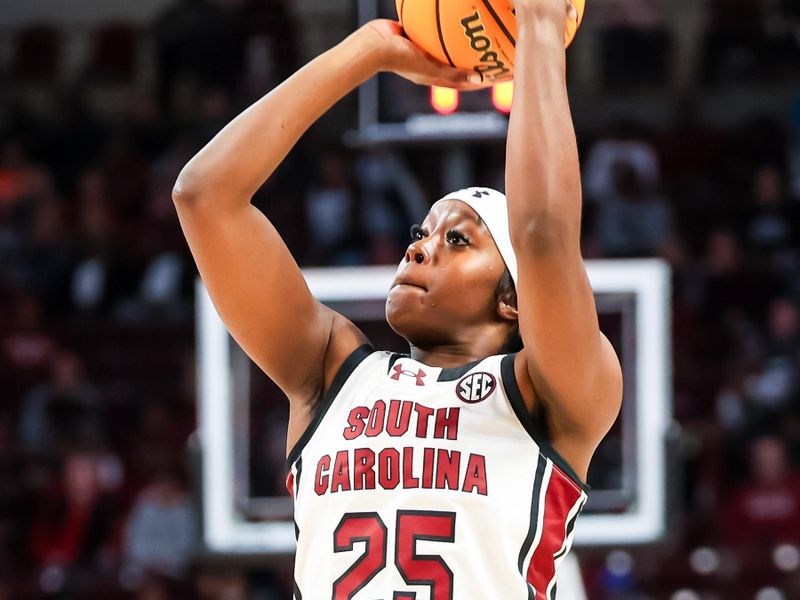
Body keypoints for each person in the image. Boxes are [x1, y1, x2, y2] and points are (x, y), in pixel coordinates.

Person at [172, 0, 622, 597]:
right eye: (421, 234)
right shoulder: (332, 371)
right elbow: (204, 196)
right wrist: (370, 50)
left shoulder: (554, 393)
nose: (419, 249)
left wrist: (540, 25)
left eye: (456, 240)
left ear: (513, 299)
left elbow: (542, 233)